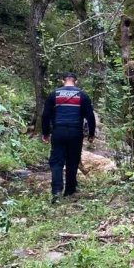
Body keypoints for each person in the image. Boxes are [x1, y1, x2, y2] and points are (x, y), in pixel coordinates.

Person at [41, 72, 96, 203]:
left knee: (56, 162)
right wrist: (91, 134)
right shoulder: (82, 95)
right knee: (72, 161)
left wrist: (45, 133)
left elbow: (45, 115)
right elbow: (90, 116)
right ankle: (70, 191)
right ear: (76, 81)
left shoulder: (54, 94)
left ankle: (56, 192)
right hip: (75, 132)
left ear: (62, 81)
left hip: (58, 132)